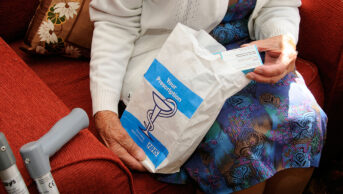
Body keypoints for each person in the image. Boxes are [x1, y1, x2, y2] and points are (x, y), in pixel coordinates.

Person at [89, 0, 327, 193]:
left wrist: (282, 40)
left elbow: (278, 5)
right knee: (239, 139)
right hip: (169, 60)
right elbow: (115, 22)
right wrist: (105, 111)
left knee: (305, 120)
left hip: (246, 53)